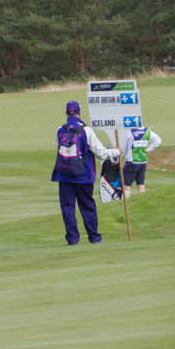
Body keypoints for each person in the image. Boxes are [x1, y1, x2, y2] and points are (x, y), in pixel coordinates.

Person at [49, 100, 119, 246]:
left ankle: (72, 239)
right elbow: (100, 152)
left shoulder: (59, 130)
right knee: (87, 205)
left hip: (64, 175)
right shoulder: (87, 130)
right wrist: (115, 151)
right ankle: (94, 237)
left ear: (66, 113)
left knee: (67, 207)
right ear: (80, 113)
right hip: (83, 175)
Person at [119, 122, 163, 194]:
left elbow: (123, 150)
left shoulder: (130, 132)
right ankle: (142, 200)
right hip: (143, 162)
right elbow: (158, 141)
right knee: (141, 183)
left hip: (131, 162)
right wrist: (149, 149)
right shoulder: (147, 131)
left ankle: (128, 201)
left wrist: (118, 160)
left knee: (126, 184)